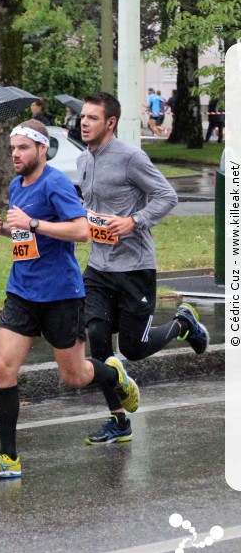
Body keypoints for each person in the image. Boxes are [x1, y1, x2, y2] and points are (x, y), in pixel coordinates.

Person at [0, 119, 140, 480]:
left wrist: (32, 224)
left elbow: (81, 230)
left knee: (75, 376)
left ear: (41, 149)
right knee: (3, 367)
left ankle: (113, 372)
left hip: (60, 294)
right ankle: (8, 458)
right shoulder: (16, 185)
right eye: (13, 148)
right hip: (21, 292)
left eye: (23, 148)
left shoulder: (56, 183)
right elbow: (26, 237)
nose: (15, 154)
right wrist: (5, 230)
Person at [77, 92, 209, 445]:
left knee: (133, 349)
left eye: (92, 118)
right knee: (98, 341)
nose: (84, 122)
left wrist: (133, 221)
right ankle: (118, 421)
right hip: (98, 267)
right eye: (83, 116)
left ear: (110, 122)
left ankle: (184, 323)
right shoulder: (82, 161)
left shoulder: (130, 158)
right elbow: (89, 207)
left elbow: (167, 196)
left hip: (134, 268)